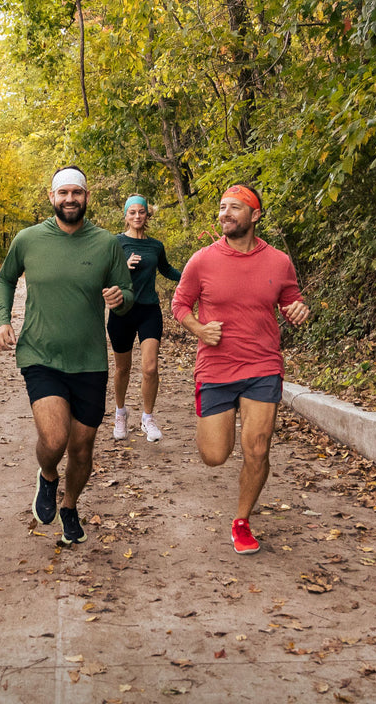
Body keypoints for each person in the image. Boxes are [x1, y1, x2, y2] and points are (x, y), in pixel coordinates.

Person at [0, 166, 135, 545]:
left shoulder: (106, 244)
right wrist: (2, 320)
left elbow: (127, 293)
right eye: (63, 193)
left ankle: (70, 506)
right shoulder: (28, 239)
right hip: (40, 354)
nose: (70, 199)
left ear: (87, 197)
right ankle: (48, 476)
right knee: (55, 440)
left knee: (82, 448)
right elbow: (6, 278)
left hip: (89, 360)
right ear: (51, 197)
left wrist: (120, 300)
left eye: (77, 192)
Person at [171, 184, 310, 555]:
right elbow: (180, 304)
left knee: (258, 448)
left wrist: (298, 310)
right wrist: (199, 328)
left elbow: (290, 301)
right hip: (216, 368)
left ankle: (242, 520)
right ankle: (221, 429)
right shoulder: (202, 260)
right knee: (215, 455)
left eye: (235, 207)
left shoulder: (279, 261)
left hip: (263, 364)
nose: (225, 214)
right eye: (222, 207)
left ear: (255, 215)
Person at [108, 194, 181, 443]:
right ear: (125, 215)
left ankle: (148, 418)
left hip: (149, 310)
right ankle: (120, 413)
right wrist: (123, 267)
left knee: (150, 368)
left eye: (141, 212)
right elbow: (104, 275)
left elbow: (167, 270)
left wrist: (193, 275)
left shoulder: (155, 246)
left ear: (147, 215)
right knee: (122, 368)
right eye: (132, 212)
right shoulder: (115, 242)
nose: (137, 216)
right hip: (121, 310)